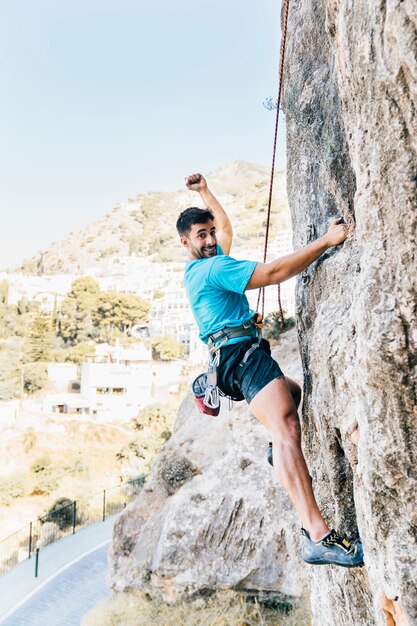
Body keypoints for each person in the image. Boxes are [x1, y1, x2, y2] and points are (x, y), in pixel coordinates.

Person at [176, 172, 364, 568]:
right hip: (240, 355)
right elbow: (275, 273)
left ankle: (277, 452)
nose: (211, 240)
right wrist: (327, 241)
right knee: (287, 429)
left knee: (291, 395)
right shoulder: (212, 270)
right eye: (201, 236)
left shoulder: (205, 263)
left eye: (211, 232)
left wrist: (206, 192)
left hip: (236, 356)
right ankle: (318, 535)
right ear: (185, 242)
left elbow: (227, 226)